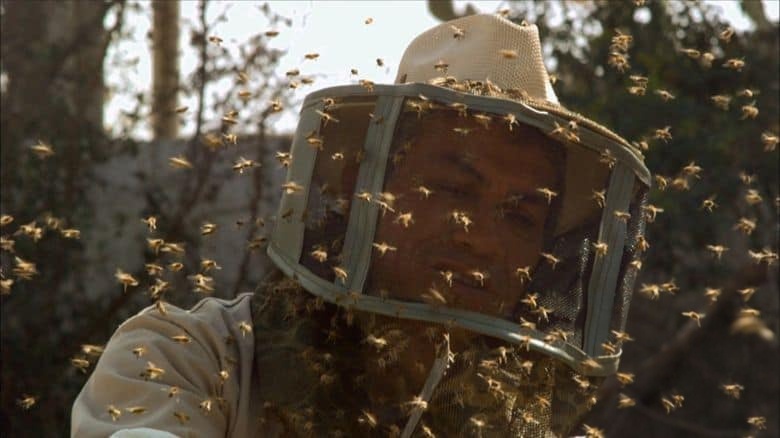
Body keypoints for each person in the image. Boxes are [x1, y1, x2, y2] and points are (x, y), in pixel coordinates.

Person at [72, 13, 651, 438]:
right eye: (452, 189)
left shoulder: (519, 423)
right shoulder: (185, 361)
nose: (479, 235)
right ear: (361, 190)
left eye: (520, 215)